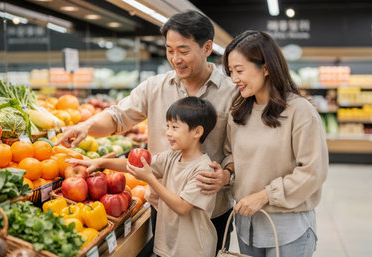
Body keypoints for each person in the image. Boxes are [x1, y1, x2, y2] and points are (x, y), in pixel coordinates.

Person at [56, 10, 238, 252]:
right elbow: (117, 117)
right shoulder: (155, 87)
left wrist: (226, 175)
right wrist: (86, 127)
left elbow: (242, 149)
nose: (175, 58)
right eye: (170, 50)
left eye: (183, 51)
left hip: (213, 210)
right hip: (162, 209)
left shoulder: (233, 92)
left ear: (207, 48)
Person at [219, 30, 328, 257]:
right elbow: (230, 154)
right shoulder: (238, 111)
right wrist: (227, 173)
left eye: (239, 70)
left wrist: (265, 195)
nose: (234, 79)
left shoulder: (299, 111)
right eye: (230, 72)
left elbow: (312, 171)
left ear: (266, 67)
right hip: (246, 225)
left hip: (288, 228)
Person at [68, 97, 218, 257]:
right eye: (168, 126)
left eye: (175, 127)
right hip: (169, 246)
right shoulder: (172, 157)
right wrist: (99, 162)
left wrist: (150, 179)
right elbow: (134, 164)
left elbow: (182, 207)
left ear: (197, 132)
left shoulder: (204, 170)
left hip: (193, 250)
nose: (168, 133)